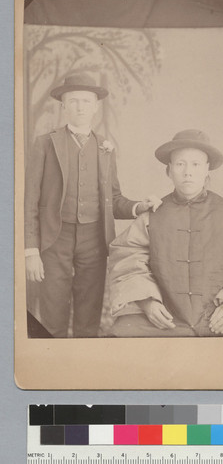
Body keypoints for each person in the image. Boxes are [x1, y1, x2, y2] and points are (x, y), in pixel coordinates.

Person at [25, 72, 160, 338]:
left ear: (95, 106)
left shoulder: (105, 148)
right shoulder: (44, 143)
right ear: (63, 106)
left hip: (94, 241)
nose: (80, 107)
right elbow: (29, 201)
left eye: (86, 101)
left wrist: (138, 207)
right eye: (73, 101)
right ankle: (54, 374)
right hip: (54, 239)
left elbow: (115, 200)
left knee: (89, 318)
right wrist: (31, 251)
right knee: (53, 318)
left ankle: (82, 372)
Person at [108, 129, 223, 337]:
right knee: (120, 335)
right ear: (169, 171)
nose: (188, 172)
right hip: (165, 316)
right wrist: (148, 302)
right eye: (180, 164)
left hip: (216, 314)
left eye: (195, 164)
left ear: (207, 170)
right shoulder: (153, 215)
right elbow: (127, 259)